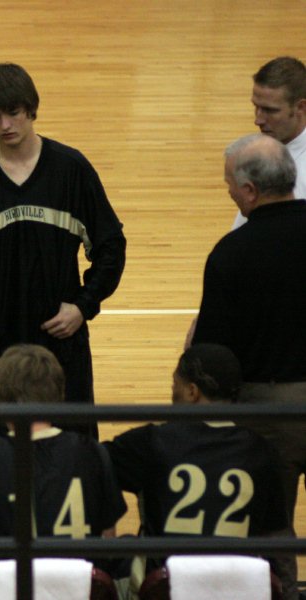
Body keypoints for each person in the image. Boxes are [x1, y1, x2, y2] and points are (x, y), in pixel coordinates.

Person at [0, 63, 126, 437]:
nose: (5, 125)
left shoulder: (71, 169)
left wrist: (82, 305)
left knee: (70, 452)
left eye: (13, 113)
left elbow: (111, 245)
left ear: (31, 109)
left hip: (62, 342)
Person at [191, 133, 306, 600]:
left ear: (251, 192)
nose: (229, 193)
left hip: (267, 410)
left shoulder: (231, 254)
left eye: (229, 186)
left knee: (271, 524)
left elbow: (217, 353)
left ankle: (286, 593)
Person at [105, 344, 289, 598]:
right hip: (238, 591)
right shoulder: (263, 451)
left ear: (192, 392)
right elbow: (274, 535)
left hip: (166, 589)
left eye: (175, 384)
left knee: (116, 561)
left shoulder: (153, 442)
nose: (172, 391)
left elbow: (89, 462)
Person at [0, 344, 126, 591]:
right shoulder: (93, 452)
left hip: (8, 591)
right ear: (59, 395)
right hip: (79, 591)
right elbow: (108, 539)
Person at [232, 56, 305, 229]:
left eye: (269, 110)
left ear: (301, 108)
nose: (258, 120)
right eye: (256, 107)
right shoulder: (273, 148)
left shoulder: (300, 179)